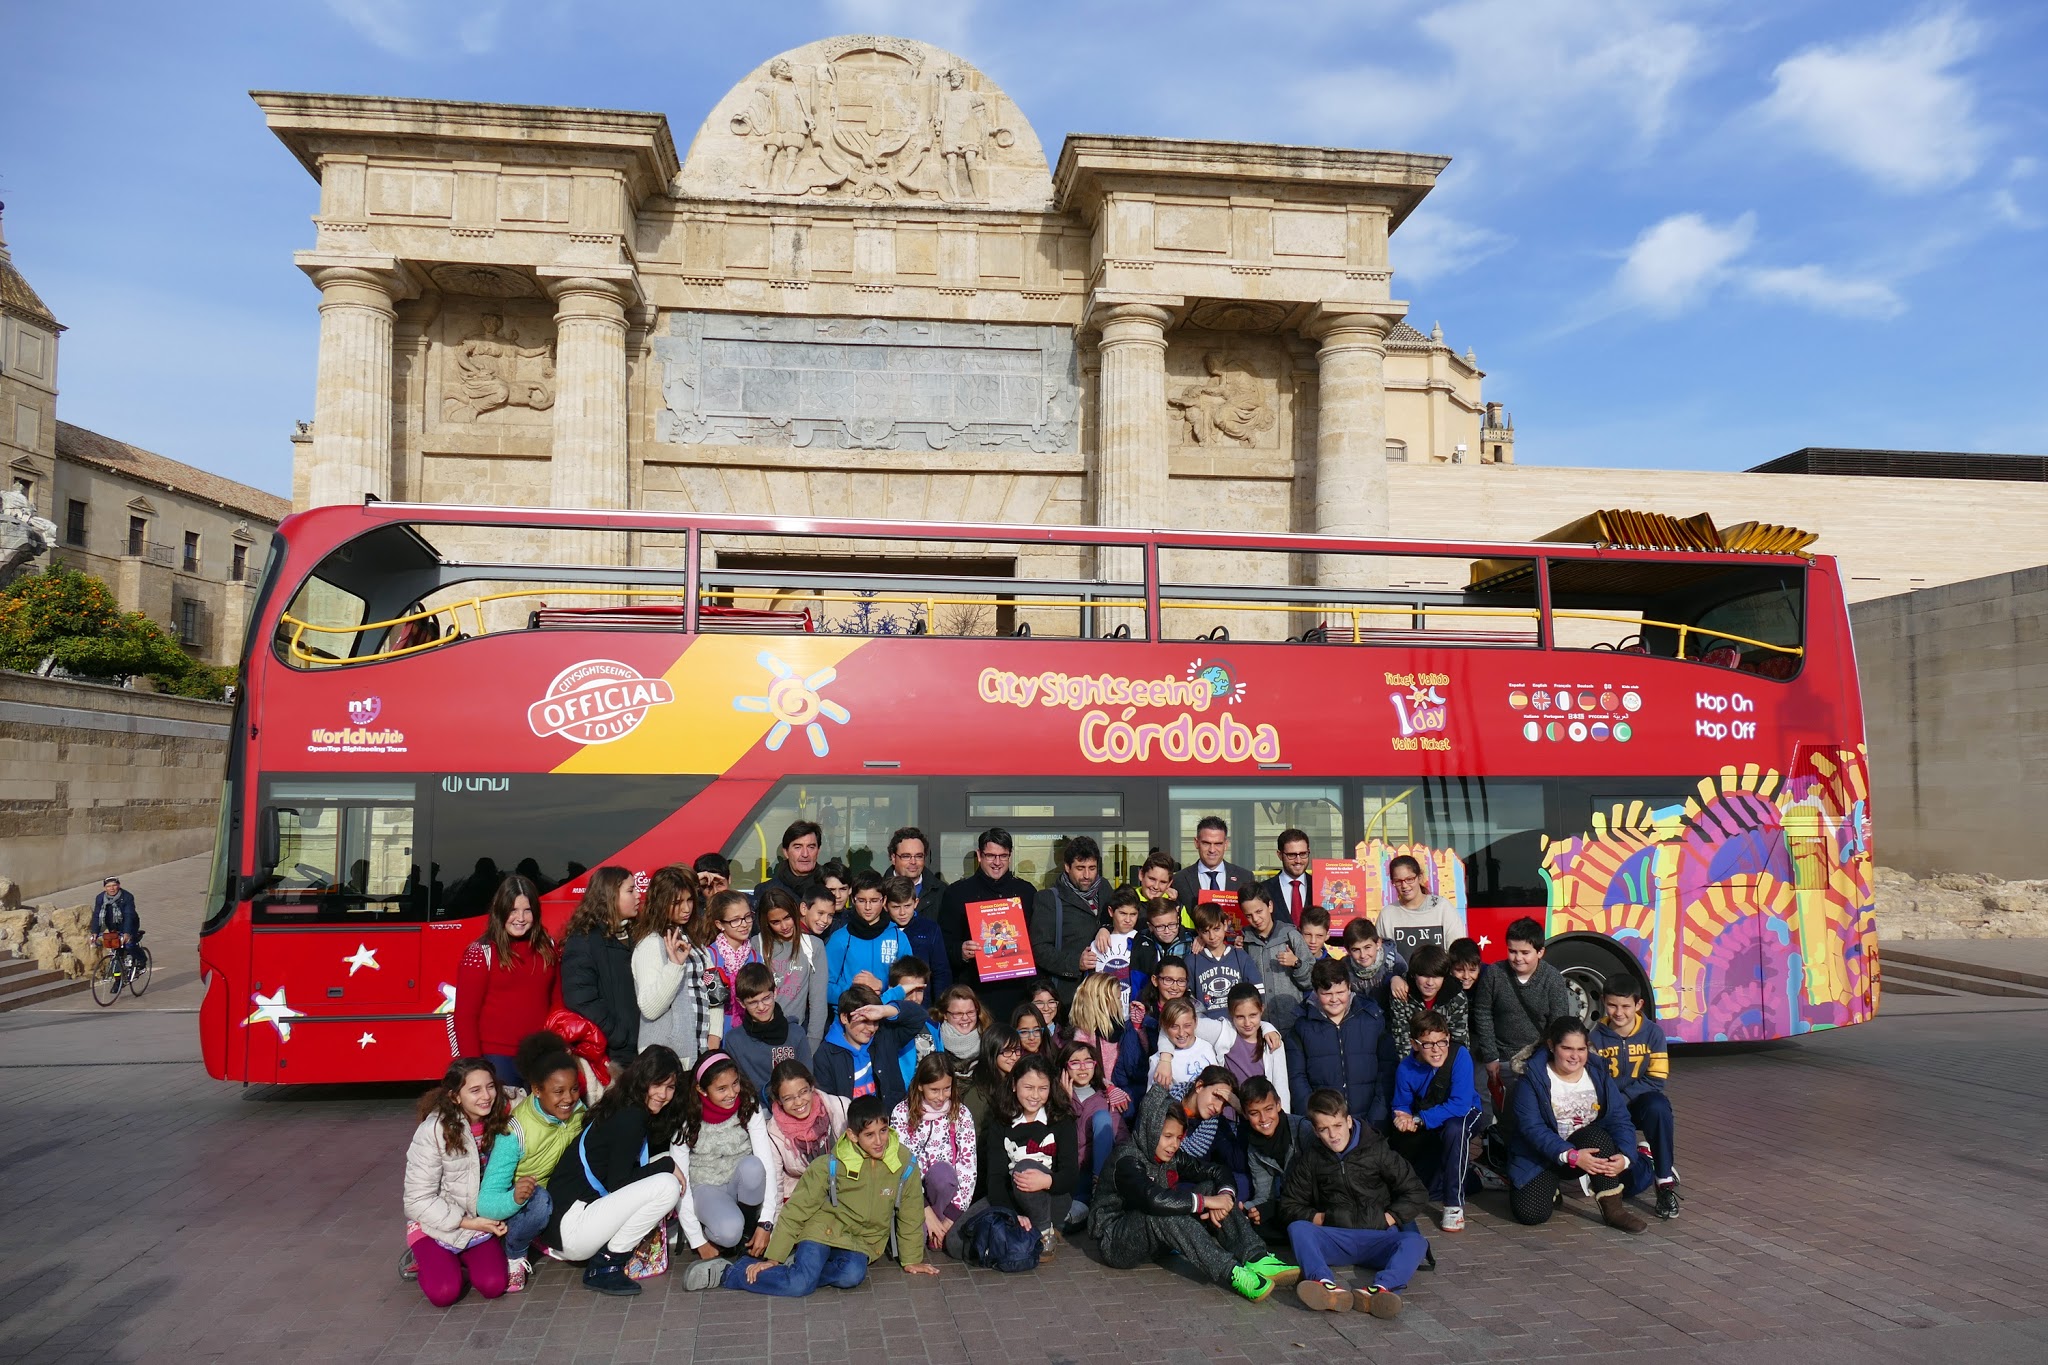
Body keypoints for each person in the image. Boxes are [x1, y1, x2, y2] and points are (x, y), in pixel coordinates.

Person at [1090, 1081, 1297, 1302]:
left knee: (1210, 1187)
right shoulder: (1127, 1160)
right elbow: (1152, 1199)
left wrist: (1224, 1197)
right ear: (1150, 1130)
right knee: (1163, 1211)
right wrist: (1207, 1202)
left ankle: (1256, 1256)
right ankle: (1233, 1273)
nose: (1173, 1145)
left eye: (1179, 1138)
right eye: (1167, 1136)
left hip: (1158, 1241)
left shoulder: (1171, 1156)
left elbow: (1217, 1171)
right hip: (1117, 1241)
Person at [723, 1095, 937, 1295]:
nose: (879, 1141)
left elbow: (911, 1213)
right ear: (853, 1135)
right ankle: (732, 1274)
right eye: (869, 1135)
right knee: (800, 1285)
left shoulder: (904, 1163)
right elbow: (798, 1208)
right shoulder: (831, 1164)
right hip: (822, 1231)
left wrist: (911, 1259)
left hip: (862, 1242)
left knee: (852, 1275)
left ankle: (801, 1270)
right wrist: (774, 1258)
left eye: (883, 1131)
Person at [542, 1046, 688, 1296]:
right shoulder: (632, 1118)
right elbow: (619, 1184)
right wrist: (666, 1166)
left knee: (662, 1169)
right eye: (657, 1084)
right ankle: (607, 1264)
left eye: (670, 1087)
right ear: (642, 1080)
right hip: (573, 1229)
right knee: (667, 1185)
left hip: (565, 1223)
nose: (663, 1095)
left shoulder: (622, 1103)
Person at [1280, 1088, 1432, 1318]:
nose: (1333, 1135)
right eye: (1324, 1129)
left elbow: (1416, 1191)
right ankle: (1324, 1285)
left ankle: (1379, 1290)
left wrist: (1388, 1218)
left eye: (1338, 1125)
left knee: (1415, 1242)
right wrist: (1319, 1218)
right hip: (1336, 1236)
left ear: (1349, 1121)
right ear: (1315, 1130)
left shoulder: (1377, 1150)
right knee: (1298, 1229)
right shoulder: (1311, 1159)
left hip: (1378, 1236)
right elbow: (1289, 1205)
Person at [1505, 1017, 1649, 1234]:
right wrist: (1570, 1155)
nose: (1575, 1056)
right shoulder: (1531, 1078)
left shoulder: (1597, 1072)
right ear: (1552, 1046)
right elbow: (1532, 1128)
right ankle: (1551, 1189)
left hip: (1586, 1149)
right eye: (1567, 1048)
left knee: (1597, 1136)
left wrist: (1627, 1156)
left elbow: (1619, 1118)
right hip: (1542, 1155)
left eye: (1581, 1049)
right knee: (1530, 1215)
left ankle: (1614, 1210)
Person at [478, 1032, 588, 1293]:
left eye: (574, 1089)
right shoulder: (513, 1131)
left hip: (560, 1195)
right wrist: (515, 1198)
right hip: (523, 1206)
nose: (569, 1099)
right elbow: (485, 1203)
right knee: (539, 1201)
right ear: (537, 1090)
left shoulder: (578, 1111)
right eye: (558, 1091)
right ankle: (514, 1253)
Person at [403, 1058, 512, 1307]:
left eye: (490, 1086)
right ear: (455, 1097)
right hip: (436, 1224)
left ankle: (456, 1260)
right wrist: (469, 1222)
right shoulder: (433, 1130)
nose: (486, 1096)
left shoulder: (501, 1118)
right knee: (444, 1292)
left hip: (479, 1224)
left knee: (493, 1286)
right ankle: (427, 1256)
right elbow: (416, 1200)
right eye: (475, 1090)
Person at [674, 1051, 782, 1279]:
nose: (732, 1093)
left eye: (735, 1084)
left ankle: (750, 1235)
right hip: (707, 1188)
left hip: (740, 1185)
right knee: (728, 1231)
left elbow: (766, 1164)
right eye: (721, 1089)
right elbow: (680, 1184)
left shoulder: (748, 1106)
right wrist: (697, 1240)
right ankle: (730, 1234)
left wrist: (767, 1223)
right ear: (702, 1090)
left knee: (754, 1167)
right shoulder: (687, 1119)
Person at [454, 874, 562, 1086]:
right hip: (496, 1058)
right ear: (500, 911)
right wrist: (475, 1067)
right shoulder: (480, 952)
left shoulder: (548, 946)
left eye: (527, 910)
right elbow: (465, 1016)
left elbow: (557, 1002)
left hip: (540, 1056)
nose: (520, 918)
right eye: (513, 910)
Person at [1589, 980, 1681, 1219]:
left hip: (1638, 1104)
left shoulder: (1653, 1033)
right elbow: (1592, 1080)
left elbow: (1657, 1079)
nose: (1619, 1012)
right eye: (1612, 1005)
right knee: (1626, 1187)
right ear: (1603, 1001)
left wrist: (1623, 1098)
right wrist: (1610, 1104)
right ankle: (1643, 1160)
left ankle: (1664, 1181)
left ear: (1638, 1004)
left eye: (1625, 1006)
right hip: (1609, 1108)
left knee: (1658, 1107)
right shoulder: (1595, 1036)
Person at [1389, 1009, 1483, 1233]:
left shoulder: (1459, 1055)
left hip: (1466, 1113)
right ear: (1414, 1044)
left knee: (1455, 1129)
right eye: (1428, 1044)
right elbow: (1400, 1104)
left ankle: (1453, 1205)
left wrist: (1420, 1120)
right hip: (1429, 1116)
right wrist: (1401, 1118)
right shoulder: (1405, 1068)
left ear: (1448, 1038)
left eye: (1442, 1042)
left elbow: (1460, 1104)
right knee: (1423, 1182)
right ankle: (1468, 1178)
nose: (1437, 1049)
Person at [976, 1053, 1079, 1256]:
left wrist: (1046, 1181)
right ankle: (1020, 1233)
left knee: (1024, 1168)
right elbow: (995, 1179)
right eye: (1028, 1087)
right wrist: (1011, 1214)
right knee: (955, 1240)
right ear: (1014, 1085)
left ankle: (1043, 1231)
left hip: (1051, 1199)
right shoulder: (1001, 1122)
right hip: (1010, 1198)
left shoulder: (1061, 1120)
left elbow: (1070, 1175)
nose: (1035, 1095)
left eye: (1043, 1088)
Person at [938, 827, 1040, 1019]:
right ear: (979, 855)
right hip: (976, 994)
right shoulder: (957, 893)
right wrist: (961, 950)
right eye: (990, 856)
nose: (997, 862)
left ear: (1010, 856)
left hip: (1017, 992)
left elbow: (1038, 940)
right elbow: (943, 943)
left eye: (1003, 856)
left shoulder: (1026, 892)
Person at [1470, 918, 1574, 1101]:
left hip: (1537, 1061)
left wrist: (1545, 1060)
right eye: (1512, 951)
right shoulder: (1495, 973)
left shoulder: (1553, 979)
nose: (1518, 958)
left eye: (1525, 952)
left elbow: (1558, 1024)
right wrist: (1490, 1057)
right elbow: (1482, 1013)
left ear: (1540, 952)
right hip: (1501, 1060)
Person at [631, 867, 722, 1067]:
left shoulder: (696, 943)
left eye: (690, 900)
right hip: (665, 1061)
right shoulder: (650, 945)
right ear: (661, 903)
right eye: (677, 902)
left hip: (702, 1054)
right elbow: (650, 1008)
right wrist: (674, 966)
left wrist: (714, 1037)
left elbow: (715, 992)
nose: (686, 908)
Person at [1286, 958, 1393, 1130]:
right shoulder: (1301, 1027)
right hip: (1325, 1126)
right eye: (1327, 994)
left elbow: (1387, 1070)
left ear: (1349, 987)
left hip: (1371, 1123)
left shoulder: (1373, 1019)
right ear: (1316, 991)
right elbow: (1297, 1078)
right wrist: (1315, 1119)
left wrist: (1377, 1118)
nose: (1334, 999)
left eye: (1340, 992)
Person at [891, 1052, 977, 1249]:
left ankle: (939, 1230)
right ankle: (927, 1228)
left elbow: (968, 1171)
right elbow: (900, 1167)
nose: (941, 1096)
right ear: (920, 1085)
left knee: (942, 1173)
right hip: (912, 1196)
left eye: (947, 1088)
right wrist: (925, 1211)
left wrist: (947, 1221)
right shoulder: (901, 1113)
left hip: (947, 1196)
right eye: (934, 1090)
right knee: (915, 1242)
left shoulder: (961, 1114)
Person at [560, 865, 643, 1069]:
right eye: (631, 890)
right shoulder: (585, 940)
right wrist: (619, 1036)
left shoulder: (636, 935)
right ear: (610, 895)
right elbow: (580, 998)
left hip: (640, 1050)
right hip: (612, 1056)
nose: (639, 896)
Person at [813, 982, 930, 1109]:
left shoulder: (885, 1037)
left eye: (875, 1022)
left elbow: (920, 1016)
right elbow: (828, 1103)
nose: (871, 1028)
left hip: (889, 1122)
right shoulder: (825, 1054)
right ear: (844, 1018)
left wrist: (884, 1010)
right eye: (864, 1021)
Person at [1229, 1075, 1309, 1244]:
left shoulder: (1302, 1129)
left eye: (1268, 1109)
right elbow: (1264, 1195)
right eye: (1254, 1113)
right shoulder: (1254, 1147)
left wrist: (1276, 1207)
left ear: (1279, 1105)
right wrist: (1251, 1210)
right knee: (1251, 1225)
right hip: (1289, 1206)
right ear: (1244, 1113)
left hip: (1313, 1201)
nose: (1264, 1119)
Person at [1031, 836, 1107, 1007]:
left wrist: (1105, 927)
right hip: (1069, 998)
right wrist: (1075, 962)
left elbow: (1119, 917)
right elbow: (1039, 949)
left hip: (1104, 996)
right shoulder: (1048, 899)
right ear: (1067, 867)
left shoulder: (1105, 889)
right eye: (1080, 868)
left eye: (1092, 868)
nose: (1087, 875)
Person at [762, 1060, 849, 1209]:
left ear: (812, 1087)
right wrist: (773, 1227)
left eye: (803, 1092)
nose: (798, 1102)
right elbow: (774, 1184)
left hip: (846, 1187)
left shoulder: (841, 1107)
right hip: (805, 1196)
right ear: (778, 1101)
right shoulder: (773, 1132)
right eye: (788, 1098)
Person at [1056, 1036, 1121, 1228]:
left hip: (1094, 1169)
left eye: (1087, 1062)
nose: (1083, 1068)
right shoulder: (1056, 1097)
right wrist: (1065, 1104)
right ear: (1065, 1068)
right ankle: (1087, 1206)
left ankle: (1099, 1189)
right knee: (1065, 1213)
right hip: (1067, 1169)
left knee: (1102, 1118)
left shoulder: (1106, 1098)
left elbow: (1120, 1136)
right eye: (1075, 1063)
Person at [826, 870, 913, 1012]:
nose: (867, 907)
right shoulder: (840, 938)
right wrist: (855, 990)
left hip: (888, 1018)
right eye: (861, 900)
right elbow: (824, 988)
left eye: (874, 901)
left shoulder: (898, 938)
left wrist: (882, 985)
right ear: (853, 900)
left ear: (884, 900)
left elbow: (910, 984)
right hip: (849, 1019)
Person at [755, 884, 828, 1050]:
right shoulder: (756, 944)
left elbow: (818, 1003)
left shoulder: (813, 946)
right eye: (775, 922)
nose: (784, 926)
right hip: (760, 1035)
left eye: (787, 918)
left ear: (795, 912)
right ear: (766, 922)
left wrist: (811, 1045)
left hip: (795, 1034)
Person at [725, 962, 813, 1098]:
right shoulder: (734, 1040)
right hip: (758, 1110)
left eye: (766, 998)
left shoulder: (796, 1033)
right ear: (741, 1003)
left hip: (796, 1105)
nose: (761, 1007)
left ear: (775, 992)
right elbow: (740, 1088)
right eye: (753, 1002)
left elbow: (808, 1079)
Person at [1239, 884, 1312, 1032]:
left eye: (1259, 911)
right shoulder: (1244, 942)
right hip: (1260, 1026)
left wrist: (1297, 964)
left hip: (1292, 1024)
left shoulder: (1291, 936)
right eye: (1249, 915)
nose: (1256, 919)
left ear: (1270, 906)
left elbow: (1312, 980)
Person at [1064, 973, 1136, 1123]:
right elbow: (1084, 1068)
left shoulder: (1121, 1027)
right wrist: (1108, 1087)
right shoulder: (1084, 1033)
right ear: (1102, 1002)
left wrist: (1138, 1028)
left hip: (1125, 1089)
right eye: (1117, 998)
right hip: (1100, 1093)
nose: (1121, 1002)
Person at [1375, 855, 1468, 955]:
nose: (1404, 886)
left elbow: (1458, 952)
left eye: (1409, 879)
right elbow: (1379, 955)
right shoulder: (1387, 915)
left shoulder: (1442, 908)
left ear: (1419, 877)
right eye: (1398, 881)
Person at [1386, 943, 1471, 1051]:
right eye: (1425, 976)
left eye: (1436, 976)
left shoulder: (1456, 997)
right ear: (1414, 974)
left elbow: (1459, 1039)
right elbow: (1402, 1040)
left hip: (1446, 1058)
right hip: (1414, 1058)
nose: (1430, 983)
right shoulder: (1401, 992)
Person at [1219, 984, 1291, 1111]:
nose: (1247, 1023)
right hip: (1230, 1115)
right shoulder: (1223, 1032)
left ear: (1261, 1010)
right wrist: (1169, 1056)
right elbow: (1185, 1023)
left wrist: (1284, 1119)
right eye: (1240, 1017)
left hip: (1262, 1117)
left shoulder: (1273, 1041)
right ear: (1230, 1013)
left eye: (1253, 1015)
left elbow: (1281, 1085)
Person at [1188, 902, 1263, 1020]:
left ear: (1226, 925)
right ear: (1198, 931)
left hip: (1240, 1025)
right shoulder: (1192, 961)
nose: (1212, 936)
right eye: (1205, 931)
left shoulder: (1240, 956)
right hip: (1208, 1028)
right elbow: (1188, 998)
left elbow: (1258, 990)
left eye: (1216, 929)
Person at [704, 888, 763, 1033]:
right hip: (714, 1034)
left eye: (747, 917)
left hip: (748, 1034)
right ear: (719, 924)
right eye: (735, 920)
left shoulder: (756, 958)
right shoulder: (708, 956)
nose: (744, 924)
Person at [883, 874, 950, 994]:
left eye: (907, 906)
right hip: (888, 1002)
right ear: (886, 906)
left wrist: (940, 1007)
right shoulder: (880, 931)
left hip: (923, 1004)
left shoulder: (930, 929)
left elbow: (941, 972)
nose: (902, 912)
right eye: (896, 907)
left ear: (916, 903)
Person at [1173, 816, 1256, 906]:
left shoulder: (1245, 878)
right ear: (1196, 843)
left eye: (1218, 844)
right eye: (1206, 843)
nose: (1212, 850)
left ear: (1226, 844)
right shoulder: (1179, 880)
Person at [886, 957, 942, 1086]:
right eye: (907, 991)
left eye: (919, 991)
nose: (914, 998)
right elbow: (875, 1008)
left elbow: (940, 1065)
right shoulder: (885, 1024)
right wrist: (894, 994)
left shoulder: (932, 1025)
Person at [1092, 887, 1147, 1015]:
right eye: (1122, 913)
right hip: (1102, 1014)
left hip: (1135, 1016)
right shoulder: (1098, 942)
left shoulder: (1145, 944)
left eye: (1133, 914)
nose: (1128, 920)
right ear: (1111, 911)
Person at [1151, 998, 1220, 1094]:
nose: (1181, 1033)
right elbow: (1152, 1105)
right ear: (1164, 1026)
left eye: (1187, 1025)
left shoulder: (1209, 1046)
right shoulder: (1157, 1061)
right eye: (1174, 1027)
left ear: (1195, 1022)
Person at [1340, 918, 1409, 1011]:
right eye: (1356, 950)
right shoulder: (1343, 968)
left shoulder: (1394, 961)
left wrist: (1397, 977)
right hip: (1362, 1018)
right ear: (1348, 950)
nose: (1363, 955)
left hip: (1392, 1017)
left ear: (1378, 943)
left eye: (1367, 947)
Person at [755, 820, 824, 906]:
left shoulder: (831, 886)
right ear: (786, 852)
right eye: (798, 847)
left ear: (818, 850)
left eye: (811, 847)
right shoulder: (766, 891)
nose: (805, 854)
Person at [886, 826, 946, 919]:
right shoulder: (878, 892)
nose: (913, 862)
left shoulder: (941, 892)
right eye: (906, 856)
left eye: (918, 856)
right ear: (893, 858)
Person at [1260, 828, 1316, 927]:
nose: (1298, 860)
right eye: (1291, 855)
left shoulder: (1320, 887)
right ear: (1280, 855)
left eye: (1303, 854)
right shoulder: (1263, 890)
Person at [90, 877, 142, 981]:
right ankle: (118, 980)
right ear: (105, 888)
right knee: (116, 951)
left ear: (119, 885)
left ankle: (142, 960)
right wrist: (95, 932)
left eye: (114, 885)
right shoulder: (100, 898)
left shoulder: (127, 897)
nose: (112, 888)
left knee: (129, 945)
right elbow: (97, 915)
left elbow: (129, 915)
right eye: (108, 886)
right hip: (113, 926)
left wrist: (127, 933)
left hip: (130, 924)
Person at [1027, 979, 1067, 1053]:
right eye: (1039, 1003)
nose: (1046, 1008)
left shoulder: (1067, 1038)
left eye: (1051, 1002)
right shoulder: (1022, 1036)